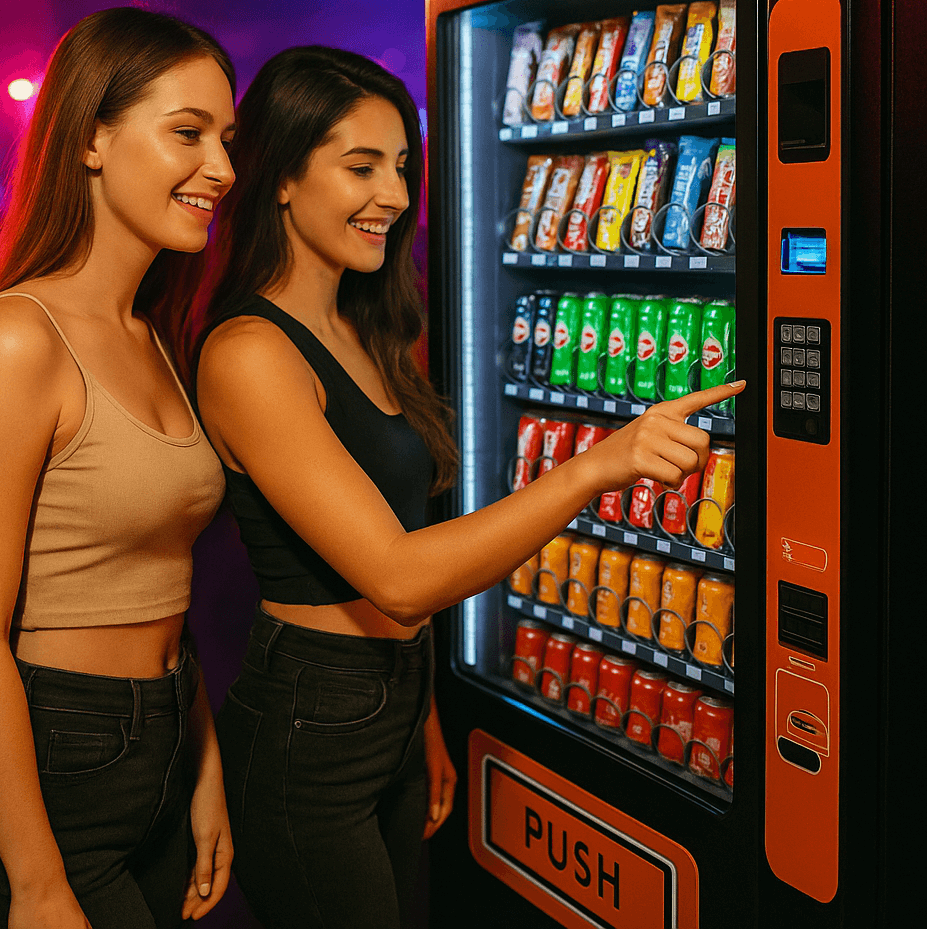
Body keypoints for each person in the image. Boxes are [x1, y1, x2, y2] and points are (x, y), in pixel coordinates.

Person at [193, 45, 744, 929]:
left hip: (392, 704)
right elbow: (399, 575)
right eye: (360, 166)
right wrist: (598, 465)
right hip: (309, 728)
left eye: (403, 167)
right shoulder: (249, 353)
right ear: (282, 179)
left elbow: (400, 568)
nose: (397, 197)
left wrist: (421, 721)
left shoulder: (356, 324)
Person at [0, 7, 237, 929]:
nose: (220, 168)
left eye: (226, 139)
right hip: (50, 770)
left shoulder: (157, 333)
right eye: (187, 133)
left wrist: (203, 766)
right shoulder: (20, 335)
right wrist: (35, 882)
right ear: (93, 138)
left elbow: (163, 588)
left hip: (162, 745)